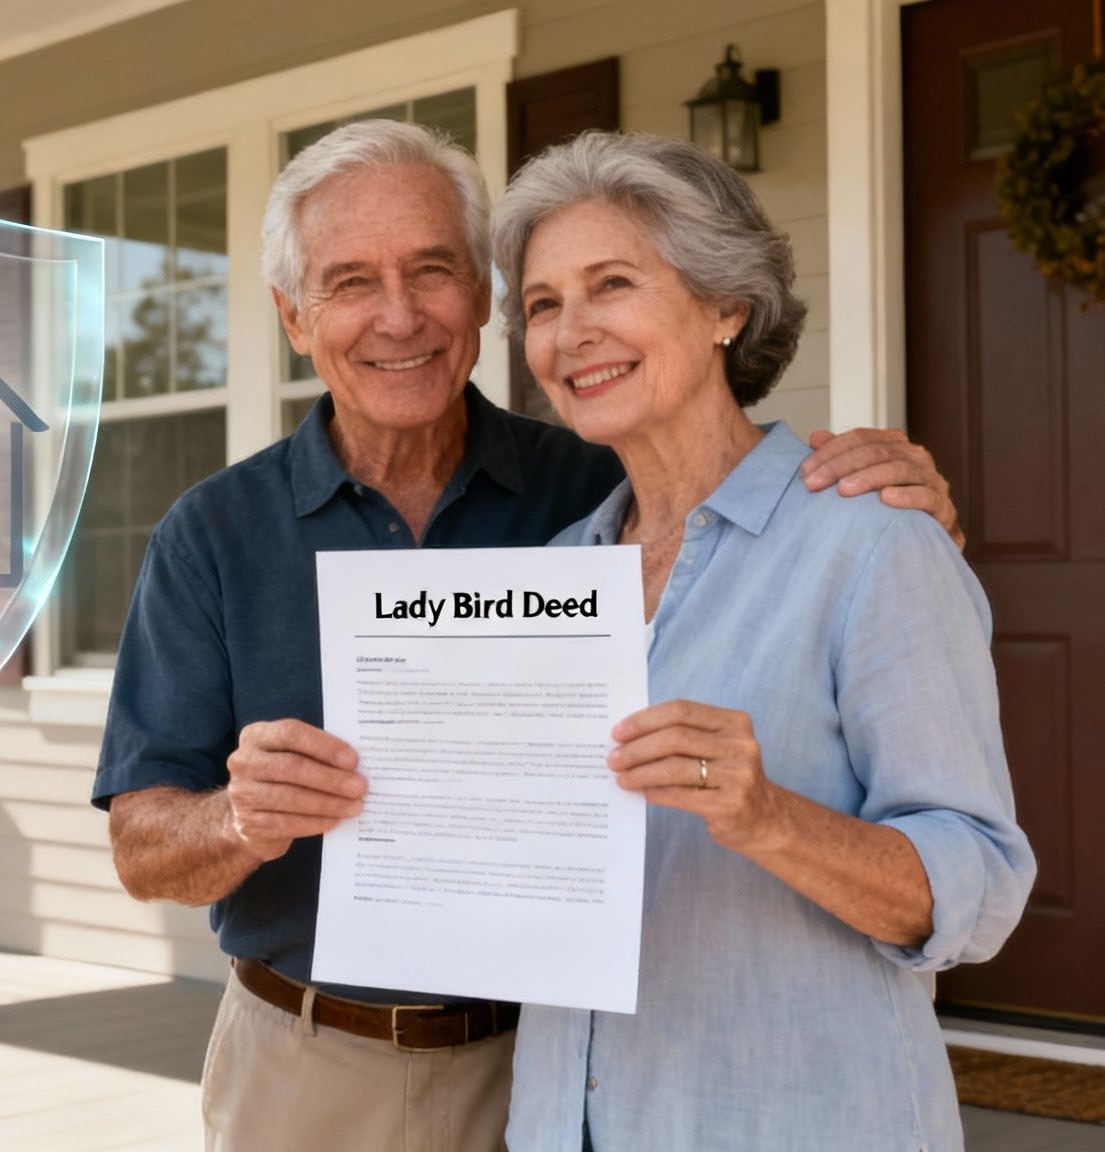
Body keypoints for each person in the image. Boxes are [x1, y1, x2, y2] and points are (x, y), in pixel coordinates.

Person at [91, 118, 968, 1152]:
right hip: (308, 1058)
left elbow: (749, 505)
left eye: (433, 269)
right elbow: (142, 850)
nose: (398, 315)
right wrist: (239, 817)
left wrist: (903, 501)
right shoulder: (212, 533)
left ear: (479, 296)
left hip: (555, 1065)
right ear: (291, 316)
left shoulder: (596, 481)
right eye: (348, 282)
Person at [489, 130, 1034, 1151]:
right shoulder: (554, 574)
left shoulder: (869, 544)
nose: (571, 334)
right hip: (564, 1122)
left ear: (722, 307)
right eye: (541, 305)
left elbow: (980, 883)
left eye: (610, 284)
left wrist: (765, 816)